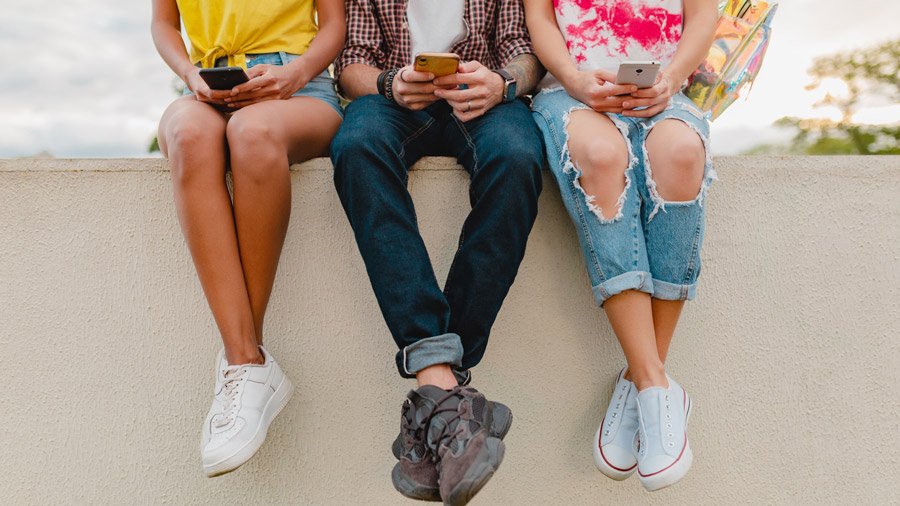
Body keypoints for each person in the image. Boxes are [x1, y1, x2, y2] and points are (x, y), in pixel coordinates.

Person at [329, 1, 545, 503]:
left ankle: (439, 386)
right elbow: (352, 62)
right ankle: (451, 394)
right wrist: (389, 84)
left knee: (517, 158)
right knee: (357, 145)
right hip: (393, 104)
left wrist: (502, 84)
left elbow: (523, 51)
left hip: (484, 102)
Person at [525, 0, 718, 491]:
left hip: (664, 91)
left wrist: (671, 79)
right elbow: (541, 19)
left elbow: (702, 16)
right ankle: (656, 387)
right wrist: (572, 78)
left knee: (680, 153)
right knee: (601, 155)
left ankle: (641, 379)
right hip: (570, 93)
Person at [151, 0, 344, 477]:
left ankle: (243, 365)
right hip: (209, 88)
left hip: (300, 89)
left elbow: (335, 25)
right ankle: (247, 362)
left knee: (252, 135)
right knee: (187, 136)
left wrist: (293, 76)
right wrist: (190, 74)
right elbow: (163, 23)